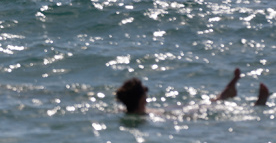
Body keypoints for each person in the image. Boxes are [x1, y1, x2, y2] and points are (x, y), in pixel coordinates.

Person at [116, 68, 270, 115]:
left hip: (168, 111)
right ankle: (256, 105)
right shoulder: (142, 115)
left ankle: (224, 95)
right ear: (142, 99)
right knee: (202, 108)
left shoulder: (125, 111)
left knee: (201, 105)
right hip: (172, 115)